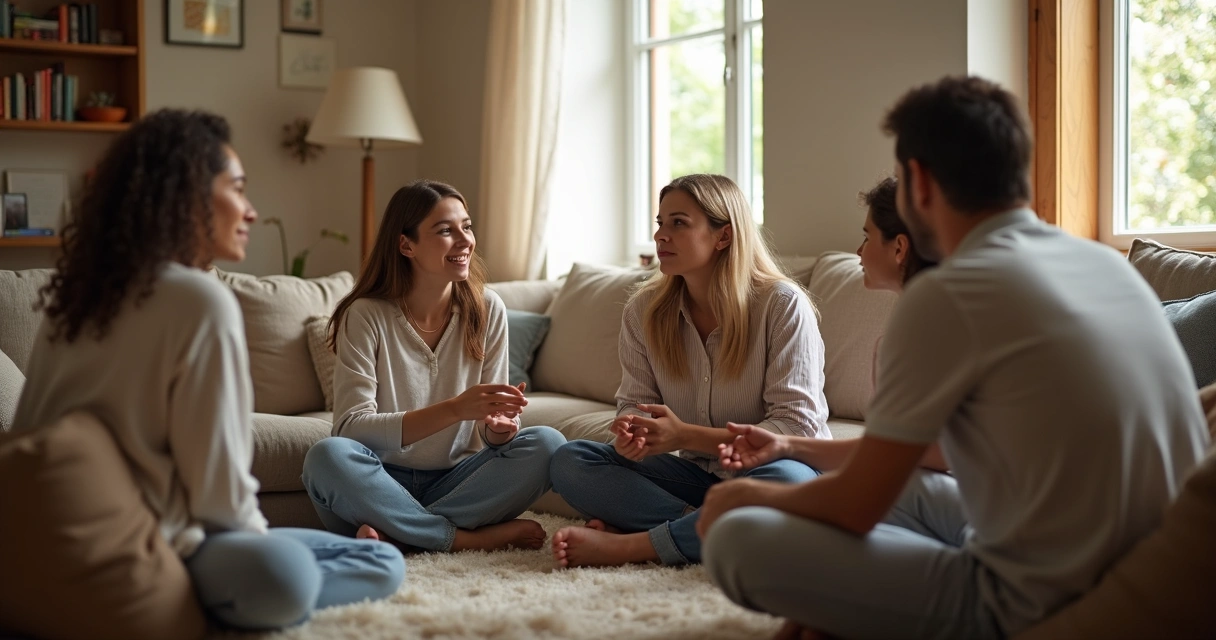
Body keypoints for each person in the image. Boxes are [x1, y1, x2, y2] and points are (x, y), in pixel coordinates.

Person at [698, 75, 1211, 640]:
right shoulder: (1104, 265)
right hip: (1144, 562)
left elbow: (855, 508)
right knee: (906, 492)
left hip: (1025, 600)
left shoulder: (946, 293)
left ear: (918, 182)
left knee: (736, 536)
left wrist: (742, 492)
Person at [11, 109, 405, 631]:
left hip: (52, 545)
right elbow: (221, 496)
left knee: (348, 555)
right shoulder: (198, 298)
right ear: (187, 197)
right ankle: (190, 610)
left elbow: (31, 437)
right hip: (154, 548)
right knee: (371, 564)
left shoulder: (77, 298)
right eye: (238, 190)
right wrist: (256, 546)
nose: (251, 211)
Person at [548, 173, 828, 568]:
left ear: (723, 236)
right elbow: (633, 406)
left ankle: (637, 544)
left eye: (679, 223)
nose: (662, 235)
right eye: (660, 223)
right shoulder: (643, 312)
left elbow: (797, 428)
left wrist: (684, 435)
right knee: (571, 461)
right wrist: (633, 433)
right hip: (695, 482)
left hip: (771, 472)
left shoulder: (782, 306)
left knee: (791, 484)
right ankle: (704, 530)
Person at [301, 179, 566, 554]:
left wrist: (499, 430)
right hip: (380, 480)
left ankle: (402, 532)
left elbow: (488, 430)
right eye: (445, 230)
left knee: (548, 444)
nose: (465, 241)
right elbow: (350, 429)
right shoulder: (366, 315)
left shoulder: (488, 309)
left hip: (456, 482)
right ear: (406, 244)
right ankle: (462, 539)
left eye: (467, 226)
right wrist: (457, 409)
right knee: (327, 458)